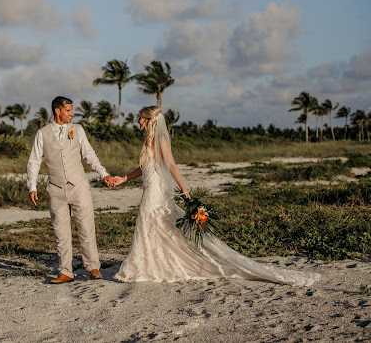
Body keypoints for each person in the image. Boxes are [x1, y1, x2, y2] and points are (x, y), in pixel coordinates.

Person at [111, 106, 320, 286]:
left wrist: (184, 191)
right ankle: (151, 265)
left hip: (155, 191)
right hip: (149, 189)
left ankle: (150, 266)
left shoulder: (161, 140)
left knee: (152, 223)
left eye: (140, 117)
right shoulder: (148, 142)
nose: (137, 121)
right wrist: (124, 178)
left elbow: (171, 165)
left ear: (148, 119)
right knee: (153, 226)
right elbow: (145, 167)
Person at [27, 96, 114, 284]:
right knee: (61, 232)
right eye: (68, 111)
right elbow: (34, 161)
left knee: (86, 227)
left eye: (72, 110)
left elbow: (89, 154)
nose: (72, 114)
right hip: (55, 189)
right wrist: (32, 186)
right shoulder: (42, 133)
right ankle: (66, 271)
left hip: (79, 187)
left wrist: (103, 173)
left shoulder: (78, 130)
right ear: (57, 111)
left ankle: (93, 268)